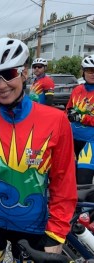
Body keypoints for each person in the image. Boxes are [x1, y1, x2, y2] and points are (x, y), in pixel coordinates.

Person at [0, 37, 77, 262]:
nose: (1, 85)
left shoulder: (56, 120)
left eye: (9, 74)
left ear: (24, 73)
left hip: (33, 225)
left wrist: (57, 233)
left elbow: (64, 182)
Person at [66, 54, 94, 185]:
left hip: (90, 141)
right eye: (89, 70)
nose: (92, 74)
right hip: (72, 140)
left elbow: (80, 117)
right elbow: (68, 110)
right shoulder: (77, 90)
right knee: (68, 180)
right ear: (83, 72)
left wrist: (82, 118)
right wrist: (70, 113)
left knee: (83, 182)